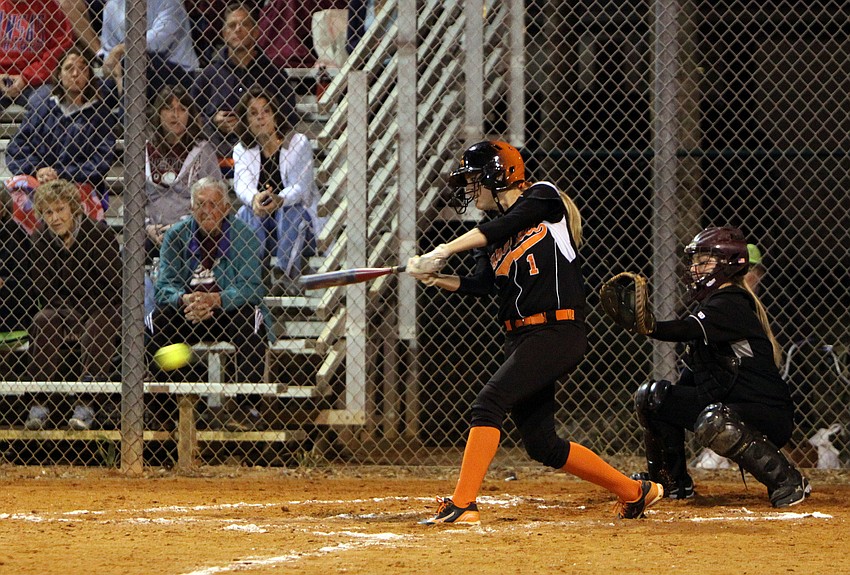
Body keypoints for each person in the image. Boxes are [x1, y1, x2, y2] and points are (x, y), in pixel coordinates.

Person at [409, 141, 664, 524]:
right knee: (542, 444)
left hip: (558, 330)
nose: (469, 188)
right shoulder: (490, 236)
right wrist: (437, 278)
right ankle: (635, 492)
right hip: (522, 338)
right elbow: (481, 284)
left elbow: (507, 222)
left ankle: (463, 504)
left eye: (475, 180)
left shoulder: (543, 197)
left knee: (488, 403)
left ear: (499, 175)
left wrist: (444, 249)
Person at [629, 226, 810, 507]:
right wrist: (668, 406)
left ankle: (787, 480)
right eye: (695, 261)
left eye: (704, 261)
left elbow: (685, 328)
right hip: (729, 406)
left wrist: (648, 327)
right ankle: (671, 482)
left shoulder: (731, 303)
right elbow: (691, 380)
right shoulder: (714, 304)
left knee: (715, 420)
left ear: (727, 265)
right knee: (653, 396)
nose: (695, 268)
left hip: (765, 413)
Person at [146, 177, 270, 427]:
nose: (207, 211)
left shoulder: (243, 235)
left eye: (214, 204)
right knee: (153, 324)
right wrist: (184, 299)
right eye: (201, 204)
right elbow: (164, 288)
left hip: (227, 310)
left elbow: (253, 288)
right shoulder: (176, 237)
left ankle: (247, 407)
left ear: (226, 208)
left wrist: (217, 299)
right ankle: (169, 407)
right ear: (191, 208)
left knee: (252, 319)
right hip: (188, 310)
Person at [25, 179, 122, 430]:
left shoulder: (99, 234)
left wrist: (79, 308)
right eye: (48, 212)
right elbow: (45, 290)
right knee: (43, 320)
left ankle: (86, 405)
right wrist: (70, 309)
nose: (55, 218)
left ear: (74, 209)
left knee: (100, 321)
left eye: (60, 209)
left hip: (99, 307)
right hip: (61, 310)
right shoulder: (41, 241)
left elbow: (112, 286)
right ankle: (40, 403)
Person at [5, 46, 117, 233]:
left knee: (80, 196)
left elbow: (101, 161)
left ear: (90, 75)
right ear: (58, 74)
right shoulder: (42, 107)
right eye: (69, 68)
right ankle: (25, 250)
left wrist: (61, 173)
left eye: (82, 68)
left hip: (76, 184)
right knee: (16, 187)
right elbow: (16, 148)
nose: (75, 74)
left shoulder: (99, 113)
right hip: (38, 183)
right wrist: (38, 170)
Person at [232, 88, 321, 296]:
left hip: (299, 227)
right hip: (262, 225)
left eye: (266, 111)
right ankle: (253, 277)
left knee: (292, 211)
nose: (260, 117)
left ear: (275, 114)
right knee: (246, 213)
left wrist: (279, 199)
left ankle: (285, 275)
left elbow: (301, 188)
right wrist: (256, 199)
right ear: (246, 121)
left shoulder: (298, 143)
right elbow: (242, 184)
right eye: (253, 113)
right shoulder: (242, 150)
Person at [191, 3, 295, 164]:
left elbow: (289, 118)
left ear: (255, 32)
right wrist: (213, 120)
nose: (238, 29)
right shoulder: (209, 76)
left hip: (264, 157)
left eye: (244, 24)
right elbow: (191, 116)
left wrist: (252, 121)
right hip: (217, 157)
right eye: (232, 25)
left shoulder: (274, 75)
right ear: (224, 34)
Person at [99, 0, 199, 98]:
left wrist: (121, 49)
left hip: (175, 69)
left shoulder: (170, 2)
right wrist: (115, 68)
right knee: (103, 87)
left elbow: (158, 42)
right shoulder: (112, 5)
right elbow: (109, 50)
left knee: (136, 61)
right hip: (127, 69)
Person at [0, 0, 74, 109]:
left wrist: (26, 78)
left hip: (36, 82)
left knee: (47, 100)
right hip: (1, 77)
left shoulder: (49, 5)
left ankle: (29, 127)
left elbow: (60, 49)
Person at [0, 186, 35, 334]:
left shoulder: (14, 236)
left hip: (10, 309)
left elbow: (27, 284)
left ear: (3, 208)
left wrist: (5, 282)